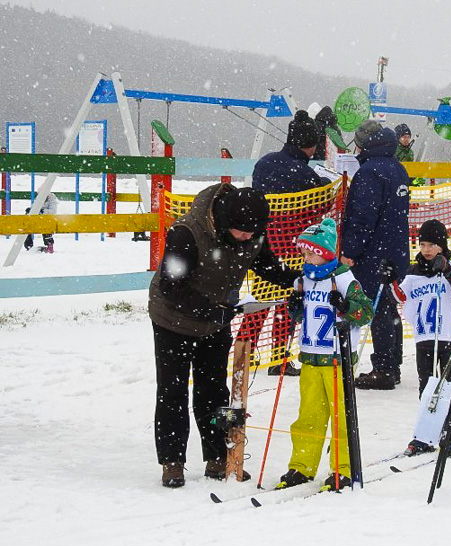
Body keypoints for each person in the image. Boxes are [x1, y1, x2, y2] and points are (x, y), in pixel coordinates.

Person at [148, 183, 302, 488]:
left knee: (215, 390)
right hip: (172, 320)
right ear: (223, 220)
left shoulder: (252, 232)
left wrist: (297, 281)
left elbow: (267, 265)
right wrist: (210, 311)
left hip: (215, 321)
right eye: (242, 233)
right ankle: (172, 460)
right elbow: (170, 285)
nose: (248, 238)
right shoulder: (187, 232)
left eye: (253, 234)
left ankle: (220, 457)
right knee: (173, 391)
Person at [275, 218, 374, 492]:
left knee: (341, 416)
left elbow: (365, 313)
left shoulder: (343, 279)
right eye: (304, 253)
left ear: (327, 253)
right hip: (310, 357)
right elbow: (301, 316)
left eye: (311, 252)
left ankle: (343, 468)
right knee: (308, 416)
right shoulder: (304, 280)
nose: (306, 257)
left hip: (336, 359)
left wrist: (346, 305)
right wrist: (293, 307)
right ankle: (302, 466)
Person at [249, 110, 325, 377]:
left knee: (257, 302)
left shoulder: (265, 162)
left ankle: (245, 354)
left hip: (259, 244)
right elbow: (319, 208)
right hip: (292, 246)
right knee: (286, 301)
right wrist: (324, 185)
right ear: (311, 145)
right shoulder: (305, 175)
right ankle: (279, 358)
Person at [386, 219, 451, 456]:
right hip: (424, 337)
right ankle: (425, 436)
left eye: (432, 244)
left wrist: (448, 272)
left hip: (448, 337)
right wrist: (390, 279)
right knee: (426, 387)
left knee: (449, 387)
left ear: (442, 245)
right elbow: (400, 296)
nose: (426, 249)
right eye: (423, 244)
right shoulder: (415, 271)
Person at [340, 120, 411, 390]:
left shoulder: (369, 172)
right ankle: (392, 363)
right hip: (395, 249)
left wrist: (350, 250)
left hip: (374, 252)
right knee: (388, 307)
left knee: (378, 308)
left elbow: (362, 216)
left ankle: (383, 367)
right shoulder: (397, 167)